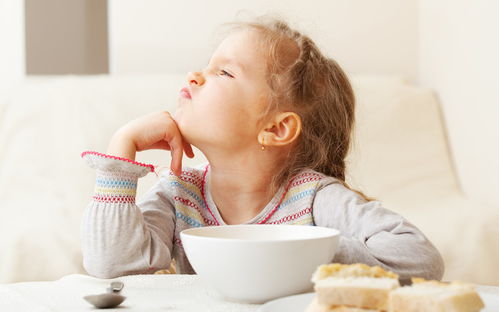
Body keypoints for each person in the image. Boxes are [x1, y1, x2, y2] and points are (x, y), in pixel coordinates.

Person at [81, 16, 444, 280]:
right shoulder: (179, 195)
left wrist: (305, 251)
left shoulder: (312, 197)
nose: (194, 75)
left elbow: (419, 258)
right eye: (208, 67)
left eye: (224, 73)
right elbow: (114, 266)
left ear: (276, 128)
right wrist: (121, 149)